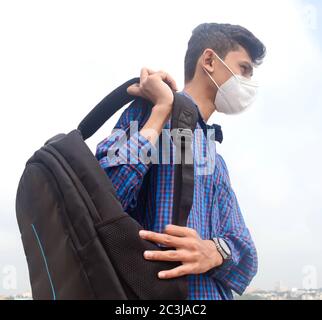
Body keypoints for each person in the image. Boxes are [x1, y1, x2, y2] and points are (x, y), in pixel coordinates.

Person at [95, 23, 266, 300]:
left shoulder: (216, 159)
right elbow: (104, 196)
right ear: (210, 60)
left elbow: (247, 255)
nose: (249, 81)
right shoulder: (151, 112)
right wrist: (162, 109)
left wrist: (215, 251)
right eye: (244, 69)